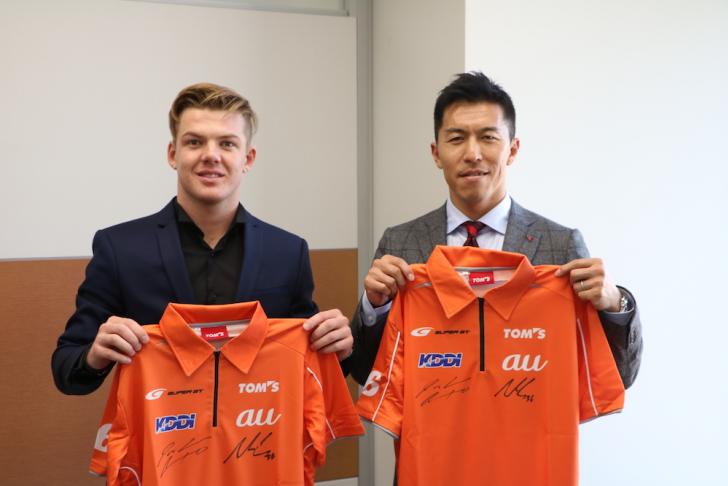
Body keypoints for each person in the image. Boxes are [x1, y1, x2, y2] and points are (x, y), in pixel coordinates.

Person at [52, 82, 353, 395]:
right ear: (173, 154)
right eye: (195, 142)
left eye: (227, 144)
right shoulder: (120, 249)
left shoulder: (288, 252)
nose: (211, 155)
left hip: (257, 424)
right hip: (160, 425)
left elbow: (313, 367)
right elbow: (66, 369)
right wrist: (94, 356)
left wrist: (338, 349)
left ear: (248, 159)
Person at [349, 71, 642, 389]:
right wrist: (374, 307)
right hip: (433, 419)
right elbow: (365, 373)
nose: (472, 154)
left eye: (488, 137)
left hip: (528, 418)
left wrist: (615, 305)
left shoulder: (560, 244)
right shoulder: (400, 242)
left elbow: (617, 376)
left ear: (512, 150)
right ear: (436, 153)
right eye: (456, 139)